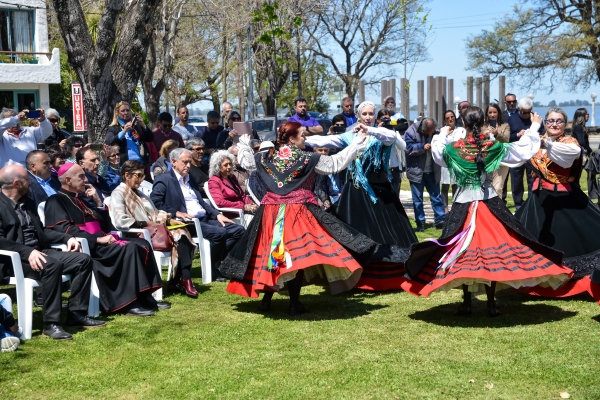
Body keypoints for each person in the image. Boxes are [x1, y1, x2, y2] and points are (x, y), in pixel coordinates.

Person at [402, 107, 573, 316]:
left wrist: (441, 135)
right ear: (483, 121)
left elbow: (438, 155)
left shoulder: (455, 148)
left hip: (463, 203)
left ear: (462, 123)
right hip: (488, 202)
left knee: (462, 254)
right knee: (492, 252)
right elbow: (522, 150)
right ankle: (491, 303)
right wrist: (535, 126)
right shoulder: (492, 146)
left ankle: (466, 302)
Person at [220, 122, 375, 314]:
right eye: (302, 135)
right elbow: (335, 163)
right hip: (297, 213)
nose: (305, 138)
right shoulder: (306, 157)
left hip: (270, 212)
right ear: (292, 138)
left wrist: (243, 143)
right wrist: (357, 143)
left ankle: (266, 301)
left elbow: (246, 161)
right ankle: (293, 304)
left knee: (273, 255)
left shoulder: (267, 156)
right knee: (295, 258)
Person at [305, 101, 418, 291]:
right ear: (358, 116)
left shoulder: (382, 135)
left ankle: (388, 275)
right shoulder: (350, 137)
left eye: (371, 114)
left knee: (386, 229)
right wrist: (299, 139)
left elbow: (394, 139)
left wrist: (370, 130)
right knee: (353, 229)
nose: (368, 117)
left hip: (380, 190)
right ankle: (353, 274)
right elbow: (325, 141)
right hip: (355, 192)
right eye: (364, 114)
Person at [44, 163, 165, 316]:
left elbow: (107, 226)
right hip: (89, 247)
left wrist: (98, 203)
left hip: (101, 242)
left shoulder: (81, 199)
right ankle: (127, 303)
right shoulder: (56, 200)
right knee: (130, 248)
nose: (85, 180)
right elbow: (64, 230)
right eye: (81, 176)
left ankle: (144, 295)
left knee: (142, 243)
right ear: (67, 180)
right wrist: (97, 240)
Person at [0, 165, 104, 340]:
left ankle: (76, 314)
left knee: (83, 260)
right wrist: (28, 252)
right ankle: (51, 324)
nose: (31, 184)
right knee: (52, 265)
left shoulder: (27, 201)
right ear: (17, 183)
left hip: (39, 251)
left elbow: (41, 231)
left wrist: (67, 238)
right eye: (27, 180)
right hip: (13, 260)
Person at [515, 107, 600, 300]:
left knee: (570, 242)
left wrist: (540, 141)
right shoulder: (536, 141)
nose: (554, 124)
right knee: (533, 242)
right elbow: (516, 154)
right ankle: (537, 282)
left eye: (559, 121)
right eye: (550, 121)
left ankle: (572, 282)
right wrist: (529, 137)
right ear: (545, 122)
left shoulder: (569, 143)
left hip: (565, 201)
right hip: (538, 202)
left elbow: (568, 154)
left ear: (565, 124)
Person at [150, 148, 245, 283]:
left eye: (189, 162)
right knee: (220, 233)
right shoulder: (164, 179)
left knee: (238, 230)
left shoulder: (190, 179)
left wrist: (217, 214)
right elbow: (155, 202)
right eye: (185, 162)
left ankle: (215, 262)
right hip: (187, 222)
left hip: (204, 218)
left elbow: (202, 202)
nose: (188, 165)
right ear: (174, 162)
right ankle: (213, 270)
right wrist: (176, 212)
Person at [109, 160, 198, 298]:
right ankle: (180, 281)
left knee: (183, 232)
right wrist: (146, 223)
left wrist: (169, 220)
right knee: (180, 235)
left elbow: (156, 213)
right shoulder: (118, 194)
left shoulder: (140, 194)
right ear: (127, 175)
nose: (141, 180)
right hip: (137, 234)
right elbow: (120, 220)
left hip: (154, 230)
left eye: (143, 176)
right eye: (138, 176)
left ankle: (184, 279)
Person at [405, 117, 446, 231]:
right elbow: (408, 148)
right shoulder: (411, 131)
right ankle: (420, 222)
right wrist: (422, 147)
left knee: (436, 197)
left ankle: (440, 220)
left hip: (433, 171)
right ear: (423, 129)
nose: (430, 134)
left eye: (431, 131)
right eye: (427, 132)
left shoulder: (438, 131)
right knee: (417, 199)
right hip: (416, 171)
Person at [508, 97, 543, 210]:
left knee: (532, 180)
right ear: (519, 109)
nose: (526, 115)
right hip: (517, 154)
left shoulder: (536, 119)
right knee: (516, 181)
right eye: (524, 112)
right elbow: (507, 138)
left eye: (528, 112)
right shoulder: (511, 119)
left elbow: (542, 134)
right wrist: (518, 135)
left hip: (532, 155)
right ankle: (518, 204)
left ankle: (531, 202)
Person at [207, 150, 258, 218]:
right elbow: (220, 202)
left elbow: (242, 195)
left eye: (230, 164)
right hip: (231, 214)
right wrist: (243, 206)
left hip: (243, 211)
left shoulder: (232, 177)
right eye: (225, 165)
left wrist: (251, 204)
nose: (229, 167)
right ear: (217, 167)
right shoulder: (214, 181)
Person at [105, 101, 154, 167]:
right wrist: (123, 132)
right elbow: (109, 142)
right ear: (117, 113)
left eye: (128, 110)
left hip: (140, 163)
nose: (126, 113)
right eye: (123, 111)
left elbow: (150, 138)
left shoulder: (136, 126)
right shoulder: (113, 128)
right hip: (125, 164)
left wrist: (143, 125)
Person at [439, 110, 465, 213]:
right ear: (445, 120)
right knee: (445, 186)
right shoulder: (443, 131)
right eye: (447, 118)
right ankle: (445, 209)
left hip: (457, 162)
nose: (450, 119)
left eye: (452, 116)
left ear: (455, 117)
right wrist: (446, 135)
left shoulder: (461, 130)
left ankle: (455, 208)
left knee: (456, 185)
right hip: (446, 162)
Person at [483, 103, 511, 199]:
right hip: (487, 160)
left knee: (498, 187)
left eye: (494, 112)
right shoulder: (482, 126)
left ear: (498, 113)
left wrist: (496, 134)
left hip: (501, 160)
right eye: (490, 112)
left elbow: (506, 140)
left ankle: (497, 211)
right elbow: (477, 141)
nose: (492, 115)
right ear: (486, 113)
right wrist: (484, 136)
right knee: (487, 187)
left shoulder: (505, 125)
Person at [377, 109, 406, 196]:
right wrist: (379, 131)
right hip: (381, 170)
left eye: (388, 119)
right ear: (378, 120)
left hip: (394, 170)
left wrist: (393, 134)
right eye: (383, 119)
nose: (386, 122)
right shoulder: (375, 132)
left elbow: (403, 146)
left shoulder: (394, 132)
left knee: (395, 198)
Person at [572, 108, 596, 204]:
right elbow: (581, 142)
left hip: (585, 154)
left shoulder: (581, 127)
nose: (588, 116)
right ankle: (577, 194)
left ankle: (592, 194)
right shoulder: (578, 127)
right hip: (581, 155)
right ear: (581, 116)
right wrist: (590, 151)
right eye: (587, 114)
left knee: (591, 173)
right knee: (580, 174)